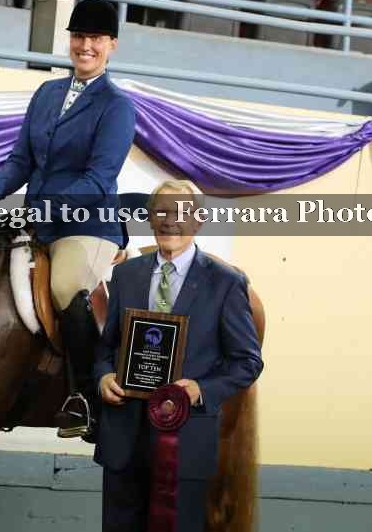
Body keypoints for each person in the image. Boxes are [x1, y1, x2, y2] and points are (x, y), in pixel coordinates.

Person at [0, 0, 136, 440]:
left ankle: (86, 400)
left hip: (87, 226)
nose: (86, 46)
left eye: (96, 39)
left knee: (66, 287)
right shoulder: (47, 93)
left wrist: (39, 209)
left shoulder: (117, 106)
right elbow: (21, 160)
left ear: (112, 44)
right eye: (79, 37)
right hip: (38, 221)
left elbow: (98, 179)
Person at [93, 180, 264, 532]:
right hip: (124, 438)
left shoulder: (226, 282)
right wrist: (103, 376)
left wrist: (201, 389)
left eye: (181, 213)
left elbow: (248, 362)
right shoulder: (125, 275)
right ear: (150, 219)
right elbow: (106, 347)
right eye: (161, 212)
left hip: (187, 440)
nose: (170, 221)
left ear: (199, 220)